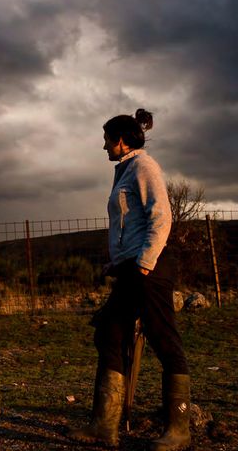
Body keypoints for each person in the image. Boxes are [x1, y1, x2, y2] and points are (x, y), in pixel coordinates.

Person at [67, 109, 191, 450]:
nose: (103, 146)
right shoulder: (125, 170)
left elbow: (161, 216)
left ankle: (179, 430)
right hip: (131, 268)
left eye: (107, 139)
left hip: (149, 269)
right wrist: (118, 262)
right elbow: (128, 224)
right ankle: (104, 426)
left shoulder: (144, 167)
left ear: (121, 141)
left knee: (163, 338)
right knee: (109, 333)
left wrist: (144, 264)